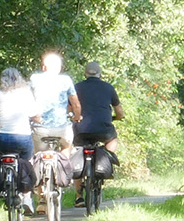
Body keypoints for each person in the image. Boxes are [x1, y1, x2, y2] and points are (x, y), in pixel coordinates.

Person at [0, 67, 41, 214]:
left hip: (1, 137)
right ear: (19, 78)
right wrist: (37, 118)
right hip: (22, 137)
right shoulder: (25, 92)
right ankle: (27, 197)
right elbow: (35, 114)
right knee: (28, 160)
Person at [71, 61, 123, 207]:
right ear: (100, 74)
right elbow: (120, 112)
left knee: (78, 156)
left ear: (85, 74)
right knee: (112, 140)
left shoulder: (77, 87)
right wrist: (118, 118)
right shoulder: (108, 88)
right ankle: (105, 159)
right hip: (103, 129)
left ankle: (79, 195)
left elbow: (70, 108)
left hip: (81, 130)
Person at [29, 51, 81, 152]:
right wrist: (77, 117)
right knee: (67, 146)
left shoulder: (34, 79)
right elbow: (76, 104)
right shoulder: (66, 80)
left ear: (44, 67)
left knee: (36, 154)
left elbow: (27, 99)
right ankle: (65, 167)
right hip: (62, 129)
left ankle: (36, 166)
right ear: (60, 67)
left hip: (40, 128)